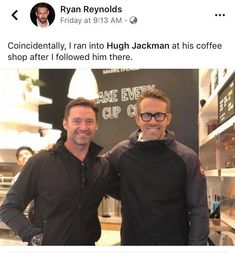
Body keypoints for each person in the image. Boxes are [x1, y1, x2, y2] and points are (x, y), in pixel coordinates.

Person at [0, 97, 118, 245]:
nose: (83, 126)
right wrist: (35, 237)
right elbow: (8, 208)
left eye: (89, 121)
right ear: (65, 124)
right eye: (76, 121)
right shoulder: (40, 162)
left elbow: (129, 193)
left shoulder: (102, 167)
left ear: (96, 125)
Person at [106, 88, 209, 245]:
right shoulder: (121, 152)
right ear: (137, 119)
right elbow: (98, 173)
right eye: (146, 115)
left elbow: (199, 210)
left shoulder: (187, 158)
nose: (153, 121)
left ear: (168, 118)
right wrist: (127, 194)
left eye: (159, 115)